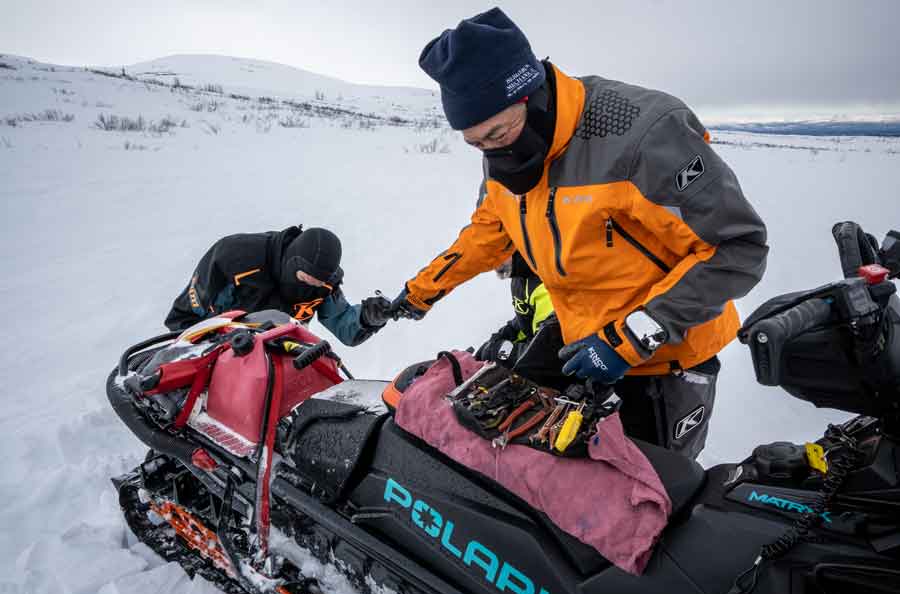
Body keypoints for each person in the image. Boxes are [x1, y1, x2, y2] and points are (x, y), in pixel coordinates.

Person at [391, 7, 768, 458]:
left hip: (666, 357)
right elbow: (486, 234)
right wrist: (419, 293)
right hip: (579, 344)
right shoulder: (505, 156)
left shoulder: (642, 134)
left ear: (531, 96)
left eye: (498, 133)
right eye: (477, 143)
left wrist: (632, 338)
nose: (492, 152)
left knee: (650, 504)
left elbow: (737, 247)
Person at [165, 226, 393, 346]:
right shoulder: (234, 258)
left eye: (319, 282)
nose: (314, 286)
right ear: (292, 264)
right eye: (306, 279)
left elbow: (344, 325)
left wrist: (367, 318)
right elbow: (186, 316)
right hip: (220, 346)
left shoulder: (324, 284)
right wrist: (202, 345)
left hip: (279, 353)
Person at [474, 251, 553, 366]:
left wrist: (499, 351)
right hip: (537, 350)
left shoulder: (545, 282)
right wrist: (506, 334)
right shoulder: (519, 278)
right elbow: (527, 318)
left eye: (500, 251)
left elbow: (545, 350)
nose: (493, 262)